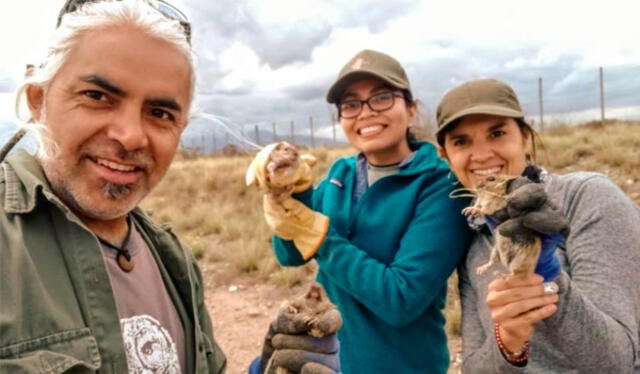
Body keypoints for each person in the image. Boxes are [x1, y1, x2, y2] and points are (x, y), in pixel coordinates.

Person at [0, 1, 337, 373]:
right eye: (97, 97)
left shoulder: (172, 257)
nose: (131, 137)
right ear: (38, 99)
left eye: (160, 113)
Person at [248, 49, 473, 373]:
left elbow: (400, 299)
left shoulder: (440, 187)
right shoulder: (341, 173)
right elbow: (290, 255)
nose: (365, 112)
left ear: (411, 110)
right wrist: (287, 194)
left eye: (381, 97)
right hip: (328, 360)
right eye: (351, 104)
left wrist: (319, 237)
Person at [435, 78, 640, 373]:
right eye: (461, 141)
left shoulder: (588, 197)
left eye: (497, 133)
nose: (481, 155)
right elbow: (473, 366)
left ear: (526, 137)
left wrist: (547, 277)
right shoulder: (476, 238)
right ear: (447, 156)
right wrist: (508, 343)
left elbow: (615, 361)